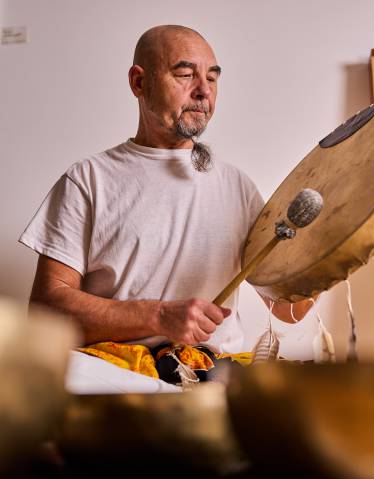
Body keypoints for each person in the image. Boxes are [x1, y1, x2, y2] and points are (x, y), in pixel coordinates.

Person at [19, 25, 313, 356]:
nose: (203, 91)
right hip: (111, 379)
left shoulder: (238, 188)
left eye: (213, 78)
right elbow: (45, 312)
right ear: (139, 82)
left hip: (211, 378)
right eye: (186, 74)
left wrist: (337, 241)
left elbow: (290, 309)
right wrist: (157, 316)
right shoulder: (87, 180)